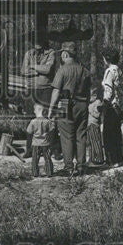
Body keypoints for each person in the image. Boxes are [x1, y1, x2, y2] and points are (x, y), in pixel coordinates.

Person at [47, 42, 92, 176]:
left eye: (62, 54)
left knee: (66, 136)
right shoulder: (85, 70)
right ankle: (81, 166)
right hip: (83, 104)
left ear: (65, 54)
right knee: (81, 135)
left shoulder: (62, 70)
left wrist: (51, 108)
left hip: (65, 103)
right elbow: (89, 91)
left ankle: (68, 167)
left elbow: (56, 91)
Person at [20, 39, 59, 159]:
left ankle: (53, 149)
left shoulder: (51, 52)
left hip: (46, 89)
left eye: (40, 40)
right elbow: (23, 71)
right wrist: (40, 70)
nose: (37, 43)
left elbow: (48, 70)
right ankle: (29, 150)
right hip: (31, 89)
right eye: (35, 40)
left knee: (48, 118)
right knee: (30, 118)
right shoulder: (29, 53)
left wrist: (32, 67)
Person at [101, 47, 123, 165]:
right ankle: (119, 158)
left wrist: (104, 102)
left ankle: (112, 160)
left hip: (111, 104)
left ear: (107, 59)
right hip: (118, 104)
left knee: (108, 133)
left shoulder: (109, 71)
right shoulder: (119, 70)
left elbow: (108, 89)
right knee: (116, 132)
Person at [25, 104, 56, 177]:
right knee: (47, 158)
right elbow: (52, 128)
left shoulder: (33, 121)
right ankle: (49, 172)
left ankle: (35, 173)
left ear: (37, 111)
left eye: (34, 110)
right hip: (45, 143)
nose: (34, 111)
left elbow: (28, 131)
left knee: (35, 159)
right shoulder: (47, 121)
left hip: (36, 144)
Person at [86, 85, 105, 165]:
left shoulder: (98, 103)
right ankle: (92, 158)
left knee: (96, 142)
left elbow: (97, 115)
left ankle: (99, 158)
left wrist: (90, 111)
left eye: (89, 96)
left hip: (94, 124)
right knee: (90, 142)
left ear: (95, 95)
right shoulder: (90, 103)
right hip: (89, 125)